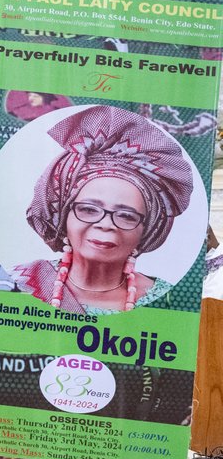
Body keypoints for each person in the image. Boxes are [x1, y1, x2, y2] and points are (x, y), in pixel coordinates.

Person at [14, 104, 193, 314]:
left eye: (126, 215)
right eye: (89, 209)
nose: (106, 225)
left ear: (149, 229)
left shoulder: (169, 300)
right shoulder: (20, 284)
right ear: (63, 216)